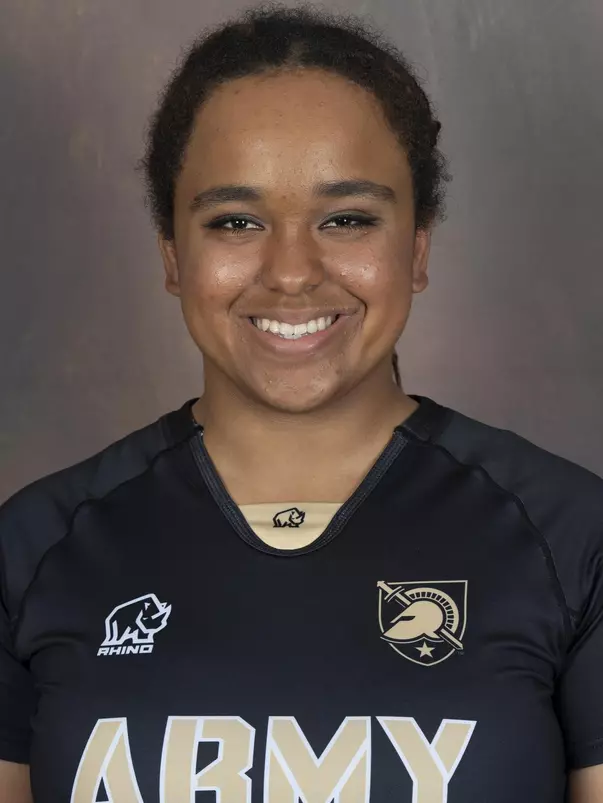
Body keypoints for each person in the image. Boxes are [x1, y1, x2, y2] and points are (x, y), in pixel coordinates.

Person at [1, 3, 602, 801]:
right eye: (236, 219)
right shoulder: (35, 549)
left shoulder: (569, 536)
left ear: (415, 248)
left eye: (347, 218)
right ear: (174, 256)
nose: (291, 270)